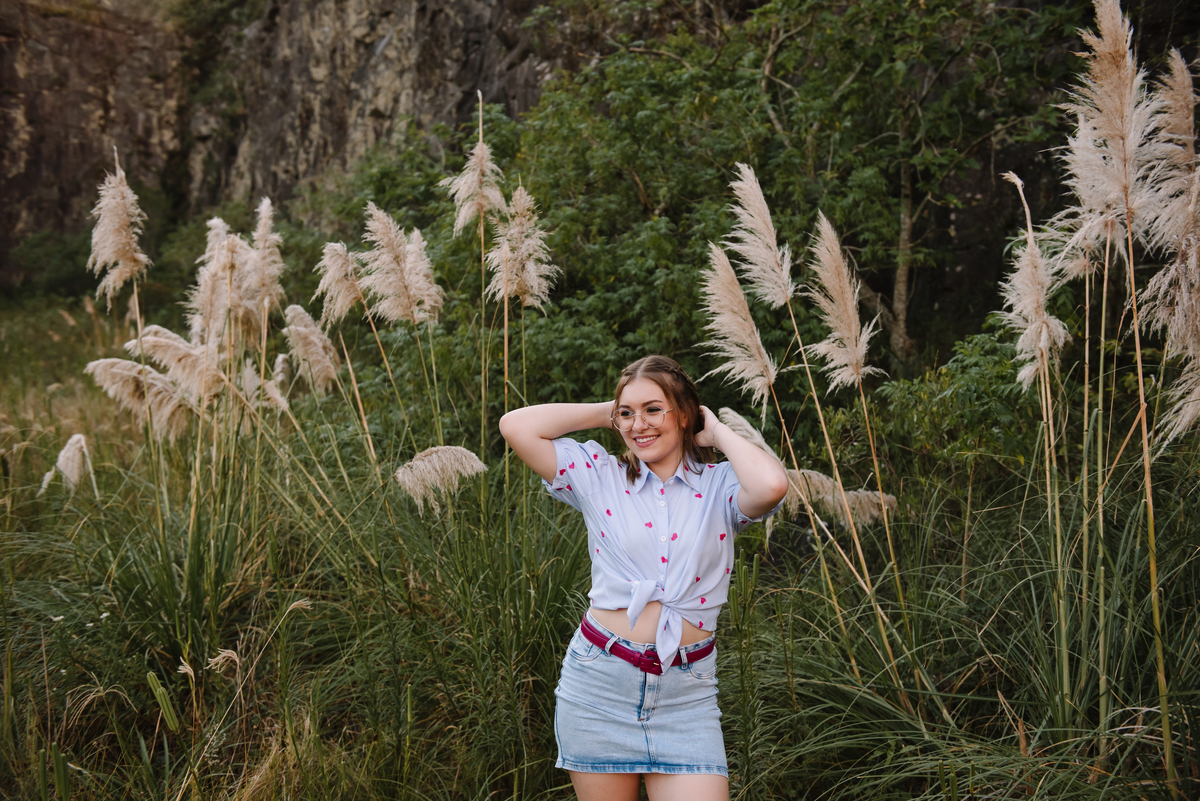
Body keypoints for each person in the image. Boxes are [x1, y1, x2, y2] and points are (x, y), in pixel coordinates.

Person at [499, 355, 789, 801]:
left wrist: (717, 432)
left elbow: (772, 485)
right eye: (628, 413)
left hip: (686, 697)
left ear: (685, 413)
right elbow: (515, 425)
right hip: (599, 685)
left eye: (654, 409)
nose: (640, 425)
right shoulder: (599, 475)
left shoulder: (721, 485)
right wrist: (609, 412)